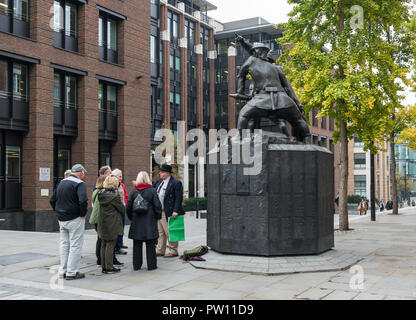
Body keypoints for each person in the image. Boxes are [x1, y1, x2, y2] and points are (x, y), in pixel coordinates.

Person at [230, 39, 310, 142]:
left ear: (256, 52)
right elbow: (288, 88)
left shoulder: (251, 60)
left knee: (244, 114)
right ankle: (307, 138)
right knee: (298, 120)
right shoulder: (276, 68)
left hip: (264, 98)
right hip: (283, 99)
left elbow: (241, 76)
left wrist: (240, 92)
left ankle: (239, 136)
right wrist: (298, 103)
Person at [50, 164, 88, 280]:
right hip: (75, 218)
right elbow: (83, 201)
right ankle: (72, 272)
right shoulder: (80, 184)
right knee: (75, 245)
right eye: (84, 173)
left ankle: (63, 271)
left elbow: (52, 200)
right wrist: (82, 214)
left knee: (64, 244)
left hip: (61, 218)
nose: (84, 176)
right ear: (81, 173)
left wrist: (57, 211)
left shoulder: (62, 182)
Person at [126, 171, 162, 270]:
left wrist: (131, 218)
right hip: (149, 222)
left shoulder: (134, 192)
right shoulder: (152, 191)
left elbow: (128, 207)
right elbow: (158, 206)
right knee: (150, 245)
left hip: (136, 222)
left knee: (137, 245)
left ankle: (137, 266)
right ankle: (151, 265)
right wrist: (157, 217)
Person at [154, 164, 185, 258]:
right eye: (160, 171)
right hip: (159, 211)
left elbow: (178, 198)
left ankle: (174, 250)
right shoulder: (159, 181)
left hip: (169, 211)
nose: (160, 173)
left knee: (170, 231)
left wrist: (175, 211)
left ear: (167, 173)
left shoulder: (176, 183)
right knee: (160, 232)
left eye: (162, 172)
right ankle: (160, 250)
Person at [97, 175, 125, 274]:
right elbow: (122, 209)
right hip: (112, 222)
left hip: (103, 221)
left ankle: (104, 267)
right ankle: (109, 267)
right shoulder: (114, 196)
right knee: (110, 244)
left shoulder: (101, 193)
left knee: (104, 244)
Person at [89, 175, 107, 266]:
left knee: (99, 238)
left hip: (95, 218)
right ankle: (100, 259)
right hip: (100, 218)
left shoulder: (95, 191)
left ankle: (99, 259)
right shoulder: (103, 192)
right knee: (101, 239)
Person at [112, 169, 129, 255]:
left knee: (121, 229)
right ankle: (117, 247)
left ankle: (119, 244)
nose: (121, 178)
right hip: (116, 212)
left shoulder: (122, 185)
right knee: (117, 230)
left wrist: (125, 205)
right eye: (120, 176)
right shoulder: (112, 186)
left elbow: (125, 196)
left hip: (122, 209)